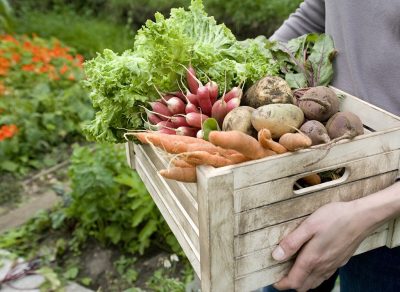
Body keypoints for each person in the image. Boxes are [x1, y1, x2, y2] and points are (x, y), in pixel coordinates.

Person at [263, 0, 400, 291]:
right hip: (312, 169)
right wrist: (253, 63)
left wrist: (363, 214)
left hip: (391, 220)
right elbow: (320, 9)